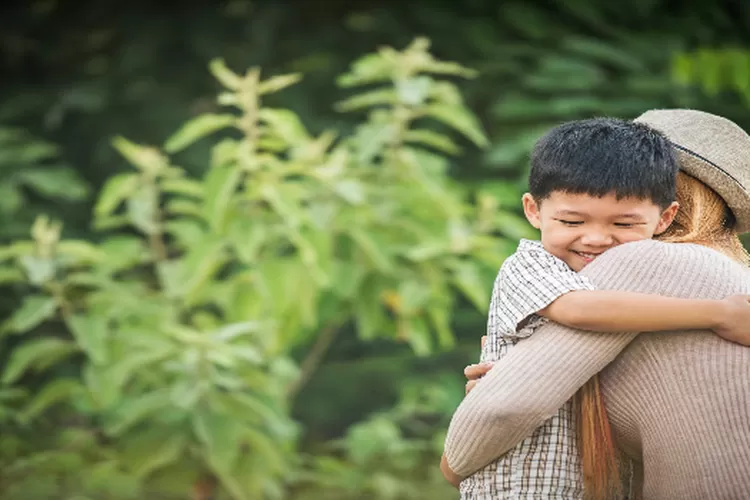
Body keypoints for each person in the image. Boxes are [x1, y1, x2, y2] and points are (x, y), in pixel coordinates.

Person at [442, 109, 750, 500]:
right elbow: (580, 319)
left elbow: (509, 406)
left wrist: (454, 463)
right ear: (534, 210)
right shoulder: (733, 281)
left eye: (622, 223)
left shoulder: (646, 264)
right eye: (573, 221)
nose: (597, 238)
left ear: (669, 207)